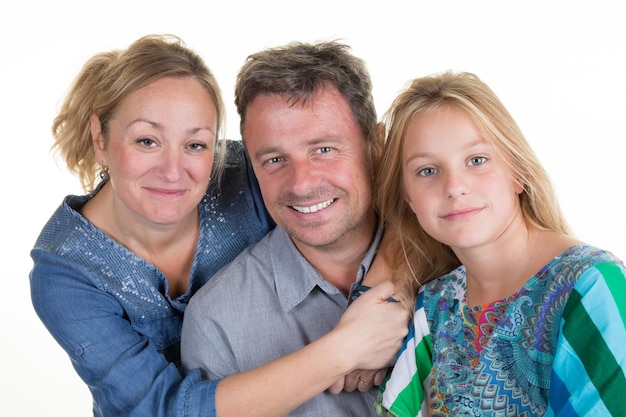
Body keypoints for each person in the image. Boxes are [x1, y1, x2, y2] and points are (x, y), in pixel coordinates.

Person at [29, 34, 408, 417]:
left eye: (195, 144)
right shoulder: (66, 274)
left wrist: (374, 296)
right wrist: (347, 349)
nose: (173, 171)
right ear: (100, 139)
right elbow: (160, 409)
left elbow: (391, 194)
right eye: (147, 141)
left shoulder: (249, 171)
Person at [374, 71, 626, 416]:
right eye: (427, 171)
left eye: (477, 160)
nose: (455, 186)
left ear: (518, 171)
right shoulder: (434, 306)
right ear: (408, 197)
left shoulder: (592, 287)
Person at [181, 41, 408, 416]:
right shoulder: (217, 323)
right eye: (274, 159)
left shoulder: (453, 251)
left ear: (377, 145)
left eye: (323, 149)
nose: (301, 183)